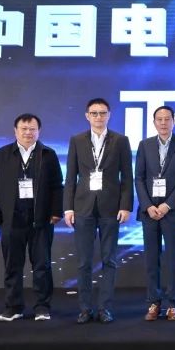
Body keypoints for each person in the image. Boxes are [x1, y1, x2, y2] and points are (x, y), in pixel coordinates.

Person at [0, 114, 64, 322]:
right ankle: (13, 307)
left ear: (39, 131)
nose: (28, 133)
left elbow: (57, 186)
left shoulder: (48, 154)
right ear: (15, 131)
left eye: (32, 129)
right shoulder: (2, 154)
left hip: (41, 219)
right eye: (24, 129)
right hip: (11, 219)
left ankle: (42, 307)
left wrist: (57, 212)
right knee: (12, 265)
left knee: (42, 265)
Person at [64, 98, 133, 324]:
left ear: (109, 115)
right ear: (87, 116)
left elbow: (127, 177)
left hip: (111, 208)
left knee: (109, 260)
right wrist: (68, 208)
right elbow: (70, 177)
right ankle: (85, 309)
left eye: (102, 113)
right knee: (83, 262)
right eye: (94, 113)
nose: (98, 117)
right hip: (82, 207)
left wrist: (125, 206)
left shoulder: (120, 141)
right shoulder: (77, 140)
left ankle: (105, 308)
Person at [134, 105, 175, 322]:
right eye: (159, 119)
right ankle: (153, 302)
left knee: (173, 259)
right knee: (151, 259)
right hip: (149, 211)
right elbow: (139, 178)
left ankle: (172, 304)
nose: (163, 122)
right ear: (154, 122)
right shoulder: (145, 145)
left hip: (173, 211)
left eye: (167, 119)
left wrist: (167, 205)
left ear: (173, 121)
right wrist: (148, 205)